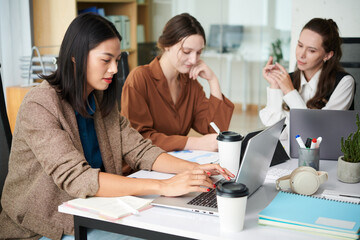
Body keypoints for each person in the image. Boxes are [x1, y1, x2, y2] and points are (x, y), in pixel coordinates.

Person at [0, 13, 233, 240]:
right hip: (44, 226)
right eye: (106, 60)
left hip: (95, 211)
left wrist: (193, 171)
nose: (114, 69)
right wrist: (164, 185)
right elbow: (78, 178)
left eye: (117, 60)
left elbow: (141, 150)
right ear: (76, 57)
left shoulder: (100, 102)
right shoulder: (40, 104)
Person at [120, 13, 234, 152]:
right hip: (143, 168)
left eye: (199, 53)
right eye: (187, 52)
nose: (193, 60)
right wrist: (191, 143)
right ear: (167, 46)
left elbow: (215, 130)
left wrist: (213, 81)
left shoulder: (190, 83)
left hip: (176, 162)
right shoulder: (140, 79)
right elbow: (138, 138)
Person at [259, 18, 355, 138]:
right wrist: (275, 87)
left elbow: (319, 132)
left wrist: (290, 92)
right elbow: (276, 133)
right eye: (300, 45)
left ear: (327, 55)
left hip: (324, 155)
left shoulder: (344, 82)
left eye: (311, 50)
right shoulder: (289, 79)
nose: (301, 55)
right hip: (290, 153)